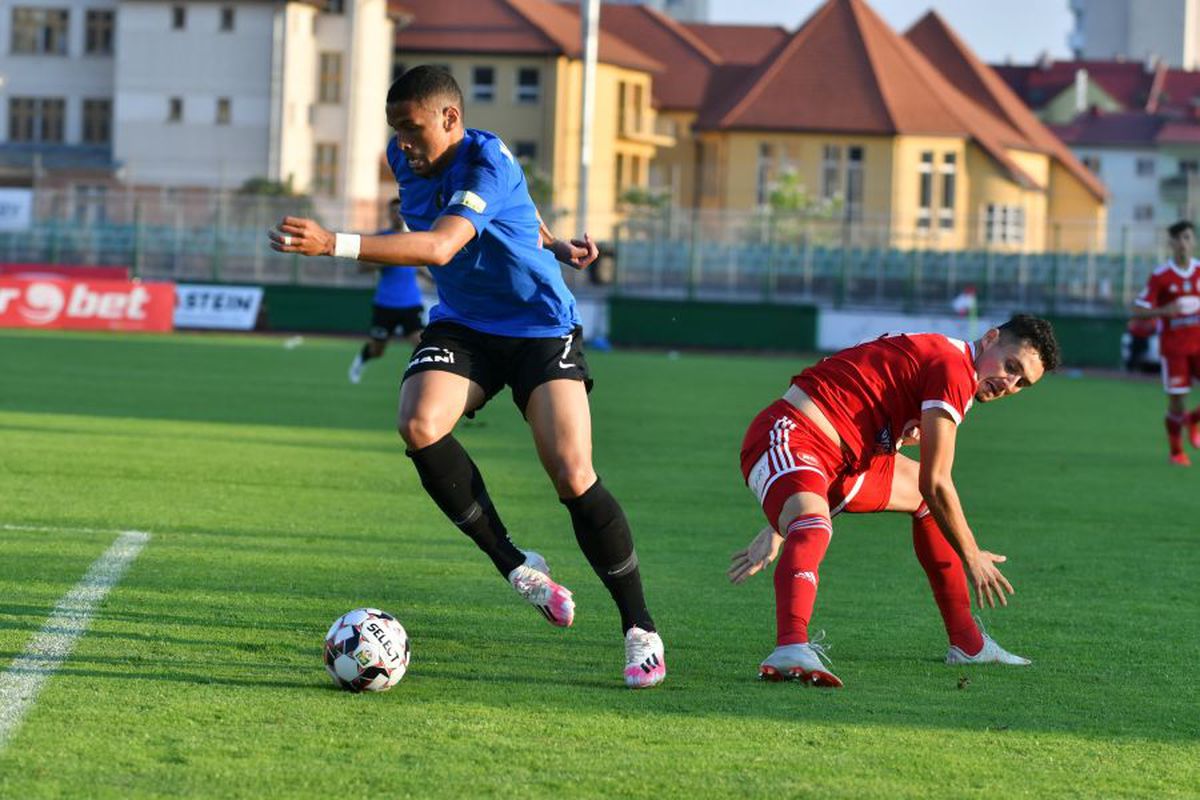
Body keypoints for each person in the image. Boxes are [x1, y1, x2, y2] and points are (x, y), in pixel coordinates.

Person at [268, 65, 665, 689]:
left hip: (539, 327)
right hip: (465, 324)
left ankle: (640, 629)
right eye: (395, 129)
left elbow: (439, 246)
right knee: (419, 423)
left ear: (451, 118)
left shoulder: (487, 163)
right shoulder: (410, 162)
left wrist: (333, 244)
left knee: (571, 471)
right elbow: (517, 216)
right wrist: (556, 243)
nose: (402, 142)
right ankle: (516, 566)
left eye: (413, 128)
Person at [729, 316, 1061, 687]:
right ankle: (790, 646)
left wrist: (777, 526)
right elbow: (936, 481)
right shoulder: (953, 368)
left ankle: (967, 643)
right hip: (790, 434)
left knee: (924, 503)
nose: (1009, 384)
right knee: (816, 525)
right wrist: (972, 556)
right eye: (1011, 366)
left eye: (1022, 383)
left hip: (841, 463)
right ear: (990, 339)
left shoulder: (954, 370)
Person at [1130, 219, 1200, 466]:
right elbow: (1137, 310)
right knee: (1177, 403)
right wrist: (1165, 310)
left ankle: (1194, 419)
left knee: (1185, 408)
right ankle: (1176, 452)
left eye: (1187, 238)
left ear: (1193, 241)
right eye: (1178, 238)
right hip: (1175, 349)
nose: (1183, 243)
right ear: (1171, 243)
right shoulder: (1161, 276)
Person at [348, 198, 427, 385]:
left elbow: (420, 266)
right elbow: (362, 267)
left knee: (421, 345)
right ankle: (362, 358)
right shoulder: (381, 238)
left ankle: (419, 380)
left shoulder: (414, 238)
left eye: (401, 211)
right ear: (389, 214)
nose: (398, 215)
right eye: (394, 211)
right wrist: (386, 259)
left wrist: (433, 278)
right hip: (385, 304)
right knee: (378, 350)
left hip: (411, 303)